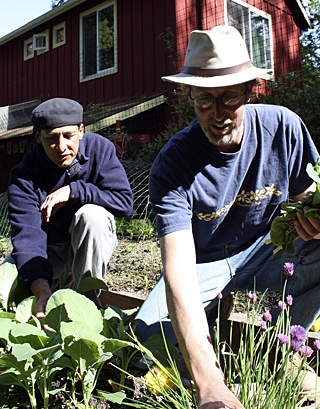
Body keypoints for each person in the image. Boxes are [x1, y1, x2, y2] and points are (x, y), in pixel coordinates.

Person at [135, 26, 320, 408]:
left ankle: (280, 341)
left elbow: (309, 198)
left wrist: (315, 220)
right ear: (188, 94)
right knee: (145, 342)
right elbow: (179, 269)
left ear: (251, 90)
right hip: (204, 264)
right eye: (204, 100)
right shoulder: (173, 164)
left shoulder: (283, 128)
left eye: (230, 98)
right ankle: (223, 337)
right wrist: (210, 385)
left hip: (270, 252)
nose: (218, 114)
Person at [3, 97, 133, 317]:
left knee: (91, 215)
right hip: (47, 251)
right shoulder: (24, 175)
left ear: (81, 131)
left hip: (87, 245)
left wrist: (74, 191)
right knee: (4, 280)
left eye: (68, 136)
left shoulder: (99, 150)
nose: (61, 147)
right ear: (38, 137)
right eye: (51, 138)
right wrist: (40, 289)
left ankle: (86, 305)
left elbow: (124, 203)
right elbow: (28, 235)